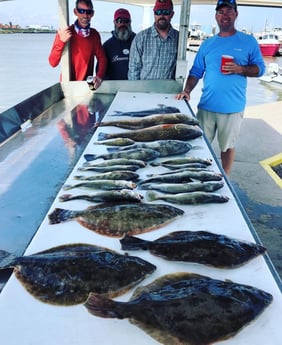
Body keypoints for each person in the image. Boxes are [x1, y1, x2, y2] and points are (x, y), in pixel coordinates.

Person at [176, 0, 265, 176]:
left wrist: (241, 69)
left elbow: (260, 69)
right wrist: (187, 91)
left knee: (228, 146)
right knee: (200, 144)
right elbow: (196, 71)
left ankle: (226, 176)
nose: (225, 15)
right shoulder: (208, 44)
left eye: (229, 11)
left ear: (236, 14)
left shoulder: (248, 41)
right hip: (206, 106)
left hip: (232, 108)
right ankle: (197, 173)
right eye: (221, 11)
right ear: (216, 16)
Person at [48, 0, 107, 88]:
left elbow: (102, 59)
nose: (85, 15)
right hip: (66, 87)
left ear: (92, 14)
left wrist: (99, 76)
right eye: (81, 11)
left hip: (85, 87)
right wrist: (61, 41)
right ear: (75, 12)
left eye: (88, 12)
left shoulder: (94, 35)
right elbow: (52, 62)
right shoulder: (64, 32)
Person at [128, 0, 178, 80]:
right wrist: (136, 91)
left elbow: (179, 71)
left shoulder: (179, 39)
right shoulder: (140, 38)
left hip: (168, 90)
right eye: (158, 12)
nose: (161, 15)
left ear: (172, 14)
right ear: (154, 14)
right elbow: (133, 70)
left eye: (166, 12)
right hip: (144, 90)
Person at [102, 8, 136, 80]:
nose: (122, 24)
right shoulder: (107, 46)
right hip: (115, 89)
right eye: (119, 21)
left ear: (130, 22)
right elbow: (102, 72)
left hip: (135, 88)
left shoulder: (138, 42)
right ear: (114, 22)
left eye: (125, 21)